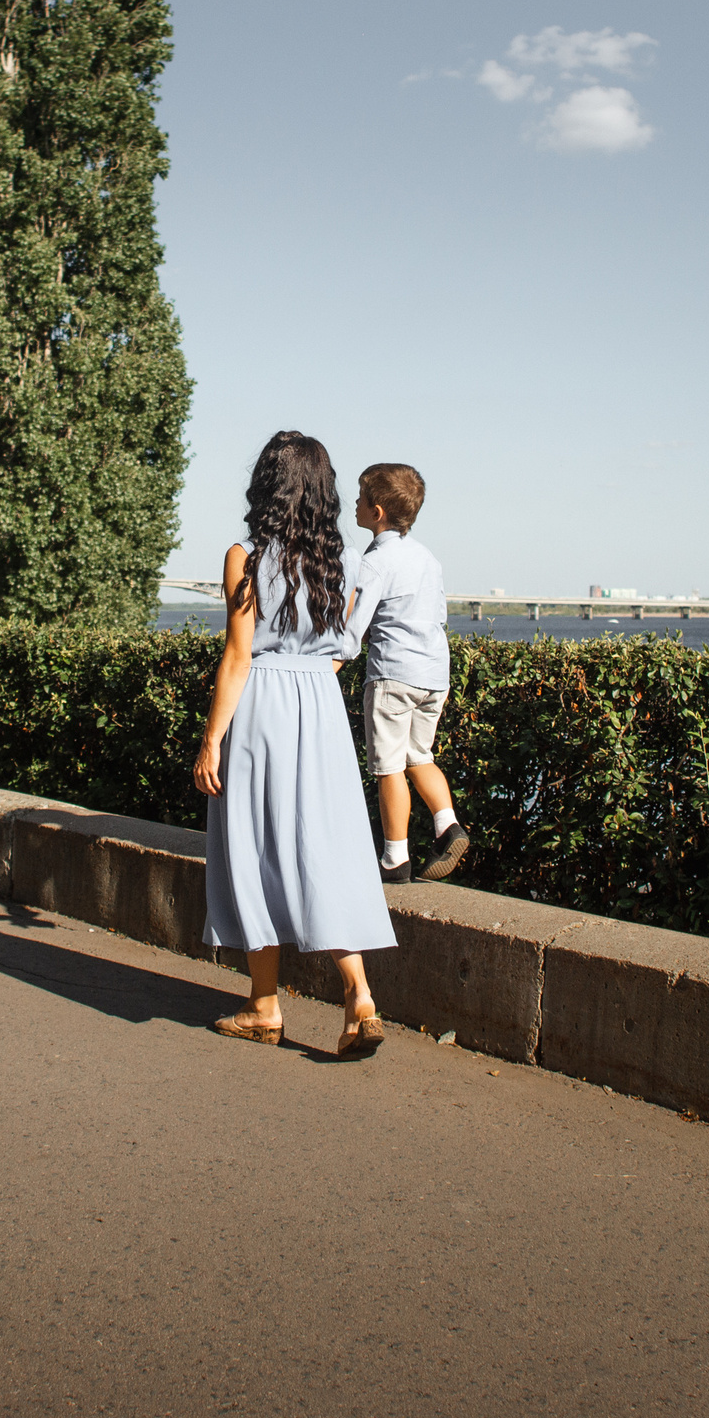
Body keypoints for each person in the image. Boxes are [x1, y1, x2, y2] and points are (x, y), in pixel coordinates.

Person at [195, 431, 396, 1057]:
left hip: (261, 706)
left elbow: (238, 655)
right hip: (321, 710)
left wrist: (211, 739)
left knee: (252, 847)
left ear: (268, 483)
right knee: (325, 846)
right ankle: (358, 996)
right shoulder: (340, 563)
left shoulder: (246, 557)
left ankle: (264, 1005)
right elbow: (340, 651)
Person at [344, 463, 469, 883]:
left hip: (393, 675)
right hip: (434, 675)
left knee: (388, 767)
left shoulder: (376, 562)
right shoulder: (427, 558)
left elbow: (353, 631)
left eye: (360, 499)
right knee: (419, 756)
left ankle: (394, 859)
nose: (354, 505)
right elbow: (439, 615)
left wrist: (326, 666)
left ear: (376, 511)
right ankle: (447, 824)